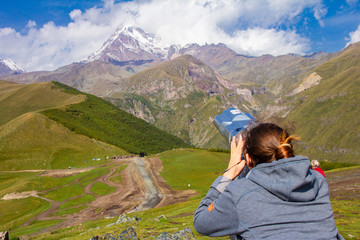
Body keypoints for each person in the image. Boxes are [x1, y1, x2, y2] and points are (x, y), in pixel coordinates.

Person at [194, 123, 343, 239]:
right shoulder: (318, 181)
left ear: (249, 159)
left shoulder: (240, 194)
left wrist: (229, 174)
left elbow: (201, 222)